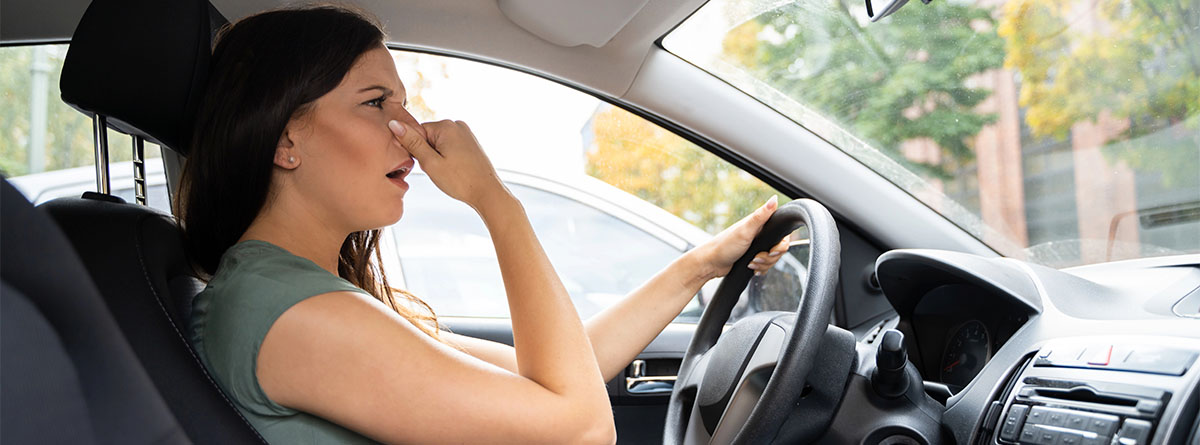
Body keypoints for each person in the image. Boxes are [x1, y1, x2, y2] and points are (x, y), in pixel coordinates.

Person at [179, 5, 790, 444]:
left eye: (402, 101)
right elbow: (580, 429)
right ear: (287, 139)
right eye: (375, 103)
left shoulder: (289, 293)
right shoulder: (296, 316)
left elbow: (559, 370)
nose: (409, 129)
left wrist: (702, 265)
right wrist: (496, 203)